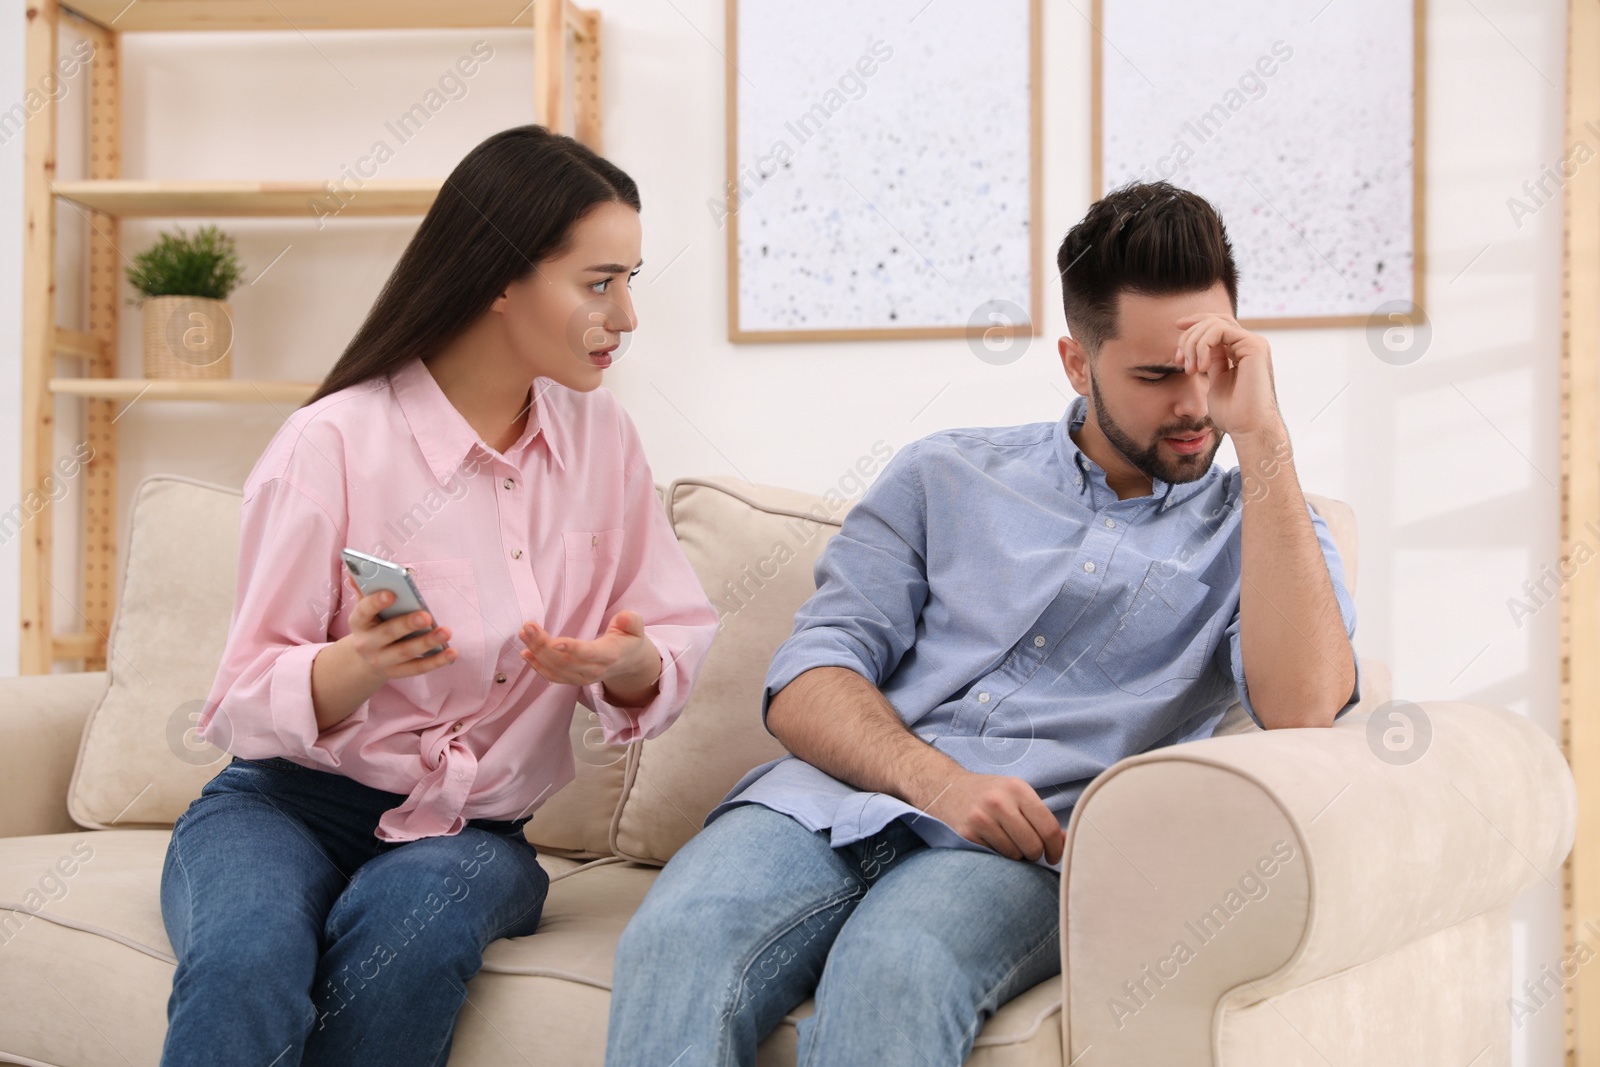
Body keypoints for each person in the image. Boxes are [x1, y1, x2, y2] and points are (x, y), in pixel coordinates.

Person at [605, 181, 1361, 1066]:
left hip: (1024, 848)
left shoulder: (1266, 525)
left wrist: (1266, 437)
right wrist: (939, 784)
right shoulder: (946, 474)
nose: (1194, 403)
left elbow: (1306, 708)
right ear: (1078, 363)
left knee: (898, 966)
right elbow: (809, 677)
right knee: (674, 941)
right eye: (1156, 375)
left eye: (1212, 367)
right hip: (822, 807)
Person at [158, 125, 719, 1067]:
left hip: (473, 832)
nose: (624, 317)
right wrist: (353, 665)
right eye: (599, 282)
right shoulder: (330, 443)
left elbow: (669, 633)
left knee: (406, 938)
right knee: (246, 956)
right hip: (281, 805)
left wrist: (631, 666)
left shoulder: (603, 442)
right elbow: (242, 694)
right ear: (500, 278)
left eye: (630, 280)